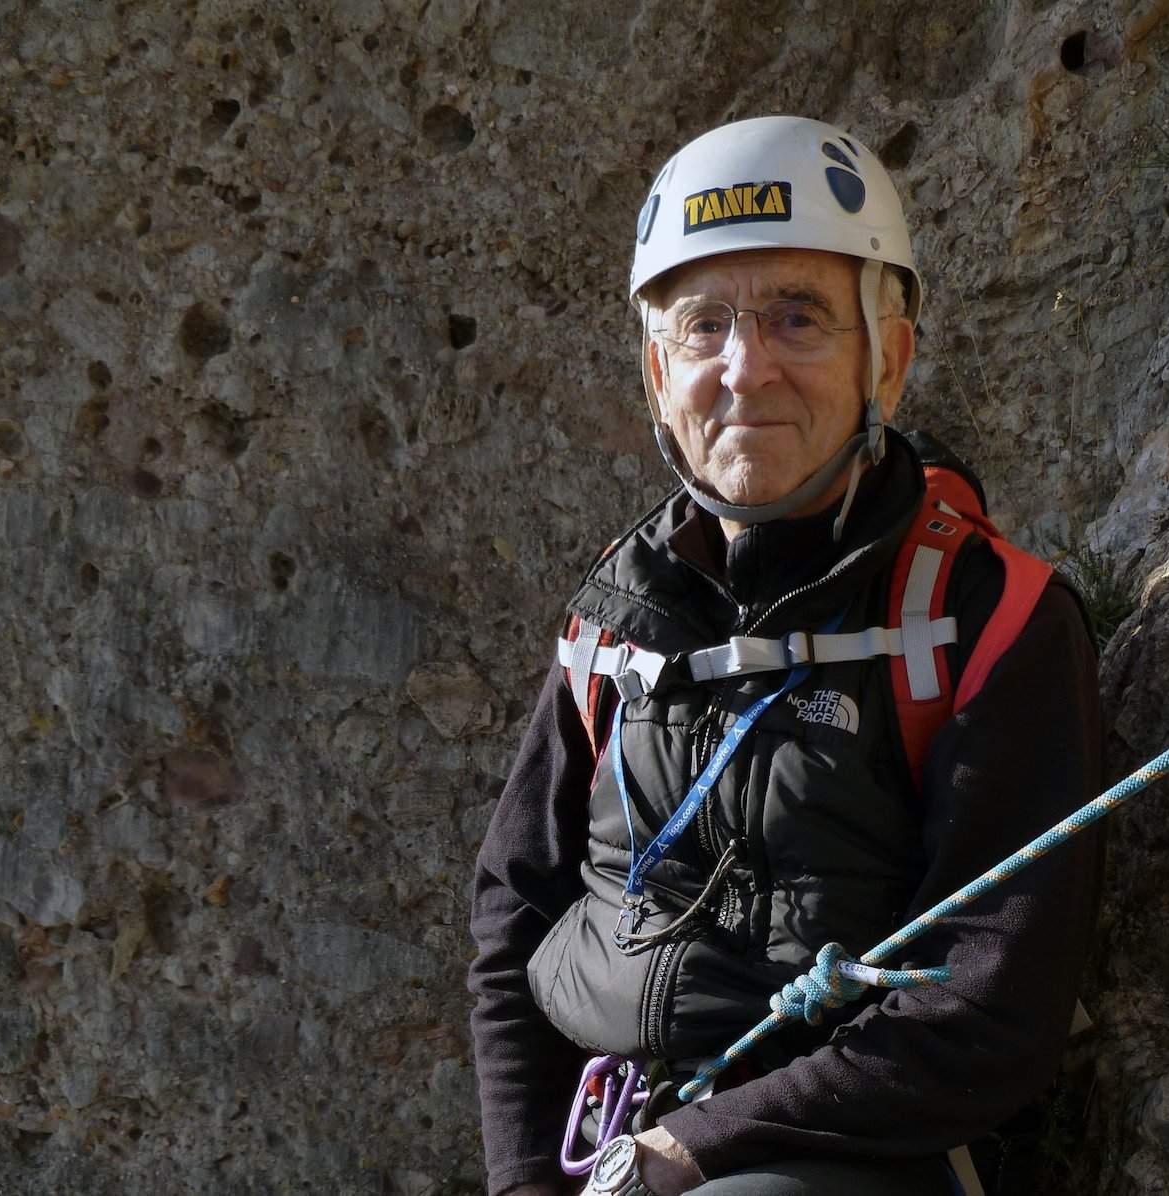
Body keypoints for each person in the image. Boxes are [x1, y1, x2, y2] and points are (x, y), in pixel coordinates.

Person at [468, 115, 1104, 1196]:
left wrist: (692, 1149)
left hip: (854, 1153)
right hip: (619, 1148)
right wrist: (528, 1178)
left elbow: (987, 1008)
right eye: (703, 324)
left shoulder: (985, 619)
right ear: (657, 369)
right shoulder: (618, 618)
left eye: (796, 318)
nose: (744, 367)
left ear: (888, 356)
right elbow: (511, 914)